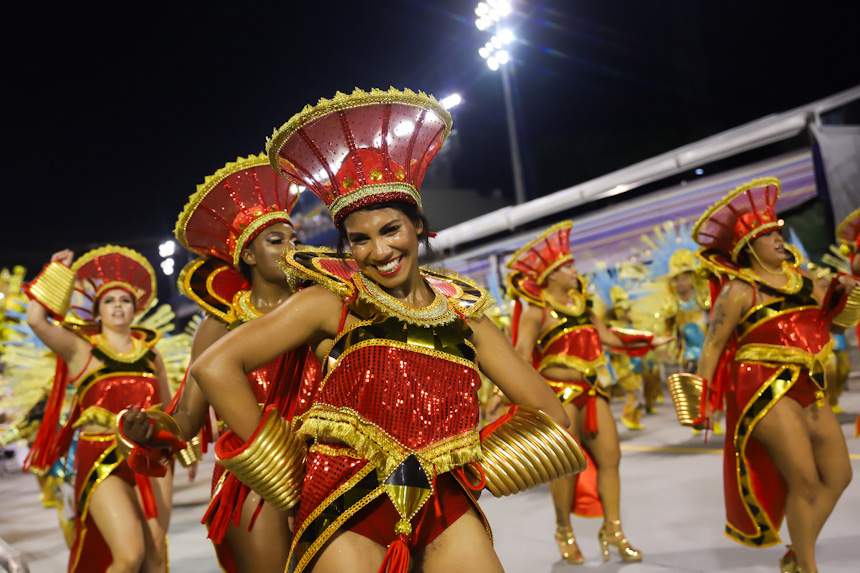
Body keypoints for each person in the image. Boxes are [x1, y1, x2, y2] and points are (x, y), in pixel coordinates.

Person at [191, 87, 584, 573]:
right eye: (360, 239)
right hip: (346, 503)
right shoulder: (330, 303)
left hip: (440, 503)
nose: (379, 251)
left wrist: (477, 466)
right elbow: (215, 367)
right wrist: (286, 474)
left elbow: (550, 413)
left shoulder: (466, 316)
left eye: (390, 230)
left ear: (418, 225)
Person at [121, 153, 319, 573]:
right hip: (257, 476)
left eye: (293, 238)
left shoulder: (321, 308)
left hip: (326, 464)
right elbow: (188, 417)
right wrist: (150, 427)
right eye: (276, 240)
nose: (292, 248)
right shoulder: (219, 328)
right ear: (247, 256)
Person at [686, 177, 857, 573]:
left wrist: (849, 293)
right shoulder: (739, 290)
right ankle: (807, 568)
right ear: (748, 247)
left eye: (777, 230)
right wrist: (698, 402)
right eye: (767, 234)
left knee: (840, 475)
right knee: (806, 481)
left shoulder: (807, 281)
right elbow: (712, 348)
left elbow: (838, 326)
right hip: (760, 384)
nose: (779, 237)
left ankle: (798, 555)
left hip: (808, 384)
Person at [508, 221, 668, 565]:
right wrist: (515, 398)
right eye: (566, 266)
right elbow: (520, 355)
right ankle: (563, 529)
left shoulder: (584, 304)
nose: (573, 270)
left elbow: (608, 336)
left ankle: (613, 529)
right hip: (558, 395)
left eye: (572, 264)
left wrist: (649, 339)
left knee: (612, 459)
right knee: (565, 467)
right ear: (550, 275)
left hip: (592, 390)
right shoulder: (537, 309)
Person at [24, 246, 173, 573]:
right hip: (102, 458)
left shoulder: (152, 355)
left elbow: (169, 411)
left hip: (152, 457)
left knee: (154, 558)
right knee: (129, 555)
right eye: (109, 300)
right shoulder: (80, 350)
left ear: (135, 308)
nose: (117, 305)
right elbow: (35, 319)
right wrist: (56, 274)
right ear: (97, 311)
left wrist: (183, 450)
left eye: (124, 300)